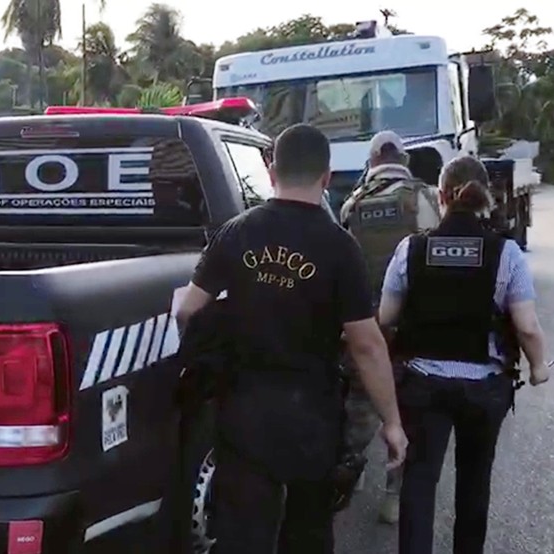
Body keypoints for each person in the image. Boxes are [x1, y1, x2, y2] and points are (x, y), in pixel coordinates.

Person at [175, 124, 408, 554]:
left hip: (244, 411)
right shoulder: (341, 247)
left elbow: (188, 309)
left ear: (271, 171)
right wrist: (392, 422)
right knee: (308, 535)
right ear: (326, 177)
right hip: (311, 417)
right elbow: (367, 345)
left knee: (242, 536)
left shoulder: (235, 232)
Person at [376, 155, 551, 554]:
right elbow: (526, 326)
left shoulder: (411, 249)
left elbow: (384, 316)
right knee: (474, 481)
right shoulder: (506, 253)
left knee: (419, 481)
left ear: (441, 195)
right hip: (484, 389)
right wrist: (539, 365)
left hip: (422, 385)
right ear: (486, 197)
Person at [337, 130, 440, 525]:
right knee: (407, 413)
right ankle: (394, 497)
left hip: (365, 325)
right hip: (413, 328)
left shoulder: (353, 205)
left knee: (360, 409)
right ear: (403, 159)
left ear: (372, 159)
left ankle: (350, 472)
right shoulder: (425, 200)